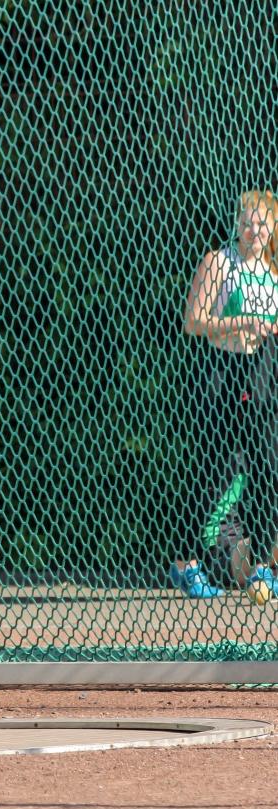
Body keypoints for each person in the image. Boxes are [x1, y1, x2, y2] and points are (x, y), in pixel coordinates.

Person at [172, 190, 278, 598]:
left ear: (272, 228)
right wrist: (241, 322)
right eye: (247, 222)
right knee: (213, 469)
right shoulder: (219, 262)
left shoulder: (273, 274)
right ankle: (186, 565)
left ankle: (262, 568)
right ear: (237, 224)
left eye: (262, 223)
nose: (254, 230)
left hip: (261, 378)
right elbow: (193, 322)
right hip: (221, 374)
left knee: (269, 468)